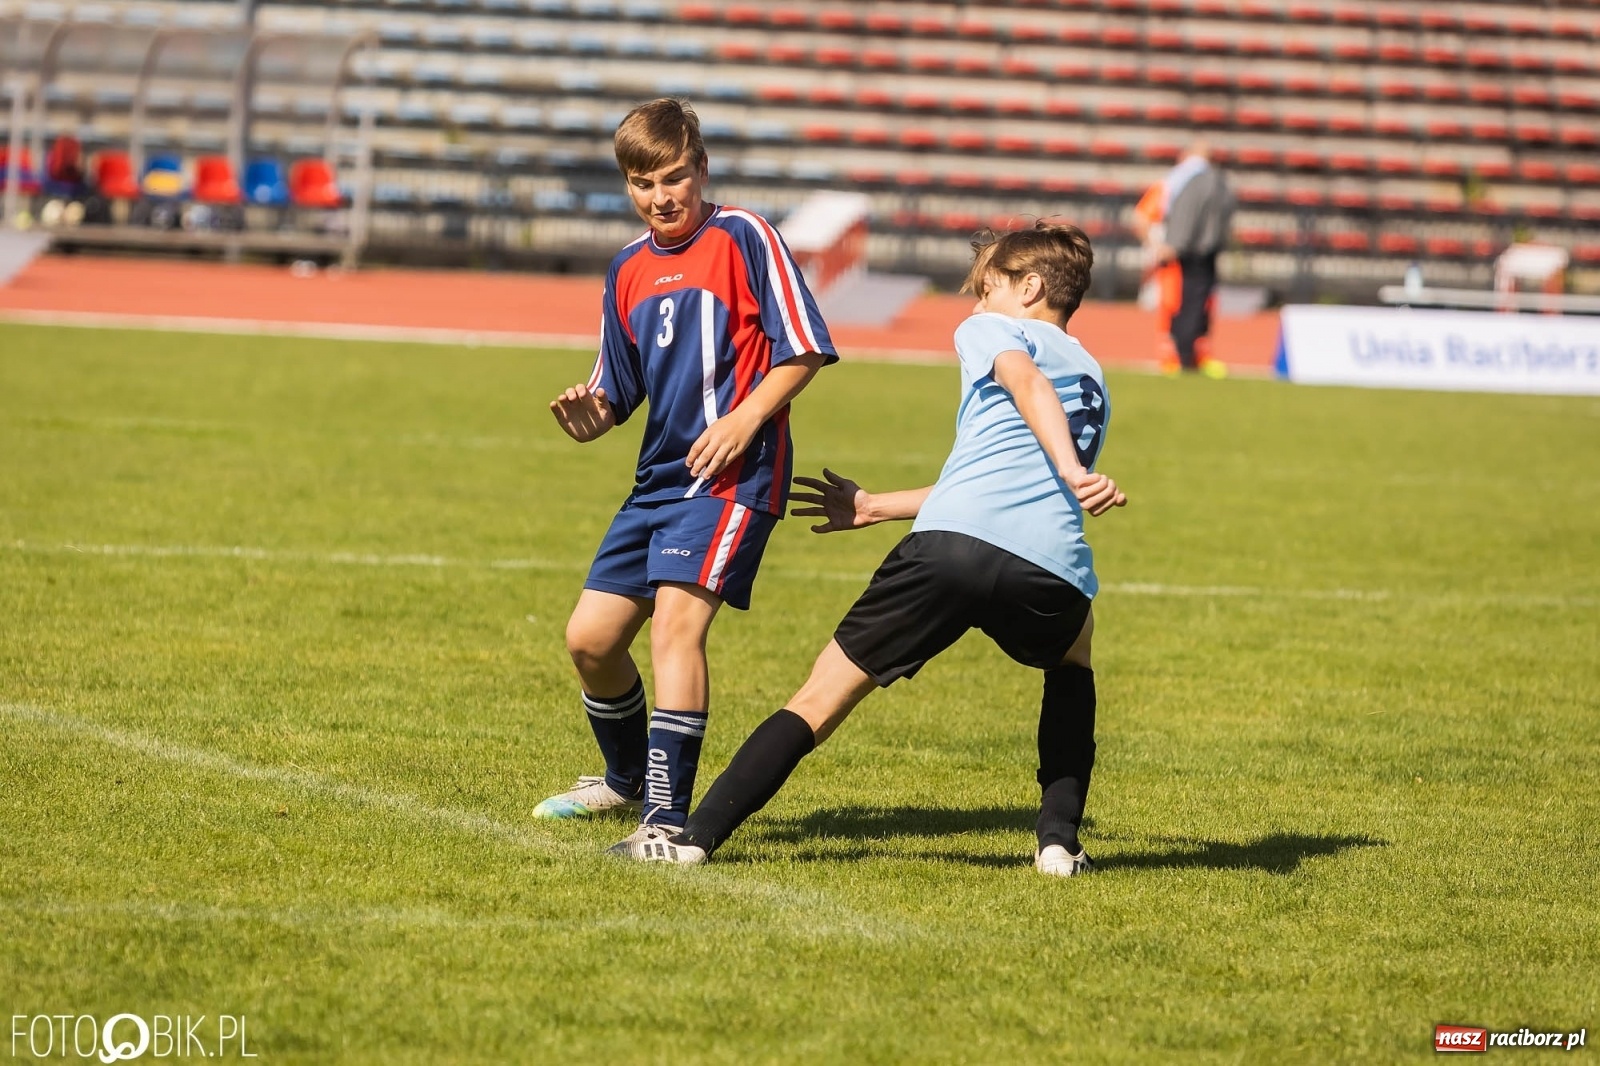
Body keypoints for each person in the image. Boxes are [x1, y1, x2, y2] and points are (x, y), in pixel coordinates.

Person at [615, 221, 1127, 876]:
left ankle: (696, 837)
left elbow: (1026, 384)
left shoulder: (993, 331)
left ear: (1030, 288)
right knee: (1074, 655)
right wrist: (876, 505)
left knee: (820, 697)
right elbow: (1004, 474)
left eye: (985, 289)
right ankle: (1058, 842)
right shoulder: (1092, 374)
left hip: (948, 550)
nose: (974, 306)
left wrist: (1073, 471)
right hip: (1049, 566)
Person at [537, 98, 838, 850]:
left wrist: (745, 420)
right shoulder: (627, 269)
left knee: (676, 628)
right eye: (643, 183)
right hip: (658, 482)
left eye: (674, 178)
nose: (661, 196)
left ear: (701, 169)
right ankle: (625, 777)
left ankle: (667, 822)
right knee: (590, 641)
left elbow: (802, 348)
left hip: (735, 476)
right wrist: (593, 414)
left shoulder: (744, 236)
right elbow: (620, 387)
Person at [1132, 139, 1234, 378]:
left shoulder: (1186, 181)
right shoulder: (1173, 183)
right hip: (1177, 255)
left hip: (1193, 251)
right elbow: (1142, 217)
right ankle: (1173, 357)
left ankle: (1194, 356)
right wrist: (1157, 246)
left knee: (1199, 305)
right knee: (1175, 305)